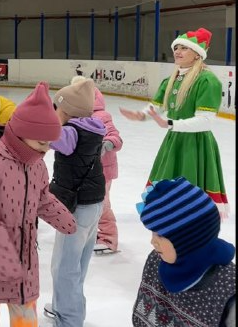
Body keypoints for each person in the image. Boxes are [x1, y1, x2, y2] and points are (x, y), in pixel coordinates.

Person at [0, 81, 76, 327]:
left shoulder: (35, 164)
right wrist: (5, 261)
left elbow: (41, 197)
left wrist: (66, 220)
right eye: (42, 143)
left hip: (22, 259)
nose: (46, 150)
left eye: (49, 144)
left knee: (26, 318)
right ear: (20, 134)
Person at [119, 28, 228, 218]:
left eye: (184, 48)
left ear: (197, 54)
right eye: (176, 47)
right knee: (169, 195)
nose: (177, 51)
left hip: (196, 145)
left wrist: (171, 124)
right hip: (174, 141)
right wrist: (141, 115)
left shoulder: (207, 80)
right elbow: (156, 107)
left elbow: (205, 121)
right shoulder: (171, 80)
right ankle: (168, 241)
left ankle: (187, 240)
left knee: (189, 197)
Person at [44, 78, 106, 327]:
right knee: (78, 263)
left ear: (67, 110)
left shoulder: (70, 132)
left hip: (77, 208)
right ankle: (66, 307)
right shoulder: (92, 128)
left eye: (56, 108)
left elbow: (45, 136)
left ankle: (69, 320)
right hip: (93, 204)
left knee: (64, 267)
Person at [133, 177, 235, 326]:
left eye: (160, 235)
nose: (152, 242)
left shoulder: (227, 288)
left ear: (189, 239)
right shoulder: (156, 261)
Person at [70, 76, 124, 255]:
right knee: (88, 204)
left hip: (103, 171)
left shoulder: (100, 115)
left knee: (102, 205)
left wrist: (105, 145)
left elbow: (116, 138)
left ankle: (109, 238)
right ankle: (90, 234)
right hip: (85, 171)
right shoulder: (74, 116)